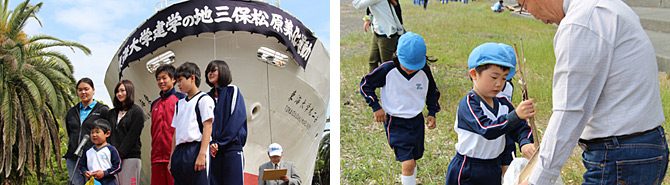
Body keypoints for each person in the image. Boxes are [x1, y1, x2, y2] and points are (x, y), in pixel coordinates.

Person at [517, 0, 669, 184]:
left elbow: (569, 111)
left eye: (524, 6)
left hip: (620, 155)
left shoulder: (580, 23)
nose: (532, 14)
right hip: (641, 147)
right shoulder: (605, 6)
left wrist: (537, 179)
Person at [444, 43, 535, 185]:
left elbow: (520, 127)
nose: (499, 84)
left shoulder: (504, 104)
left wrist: (524, 142)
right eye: (494, 77)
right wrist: (516, 115)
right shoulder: (469, 103)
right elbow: (486, 129)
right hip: (468, 168)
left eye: (504, 78)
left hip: (493, 166)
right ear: (474, 74)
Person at [359, 32, 440, 185]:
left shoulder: (425, 71)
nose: (410, 70)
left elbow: (432, 92)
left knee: (414, 159)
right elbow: (365, 85)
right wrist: (376, 106)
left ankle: (411, 180)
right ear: (397, 56)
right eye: (407, 66)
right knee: (408, 163)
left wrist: (432, 112)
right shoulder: (387, 69)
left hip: (416, 121)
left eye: (414, 67)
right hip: (395, 122)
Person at [170, 62, 215, 185]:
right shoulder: (179, 104)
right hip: (180, 151)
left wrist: (202, 154)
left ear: (192, 78)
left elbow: (208, 126)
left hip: (196, 148)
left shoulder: (204, 100)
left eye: (180, 80)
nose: (178, 84)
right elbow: (175, 132)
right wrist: (172, 157)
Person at [205, 60, 248, 185]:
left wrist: (219, 142)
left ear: (223, 71)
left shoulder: (233, 91)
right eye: (208, 71)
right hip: (213, 150)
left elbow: (236, 119)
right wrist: (211, 142)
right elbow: (206, 122)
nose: (210, 73)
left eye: (213, 70)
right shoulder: (206, 97)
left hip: (231, 148)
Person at [65, 78, 110, 185]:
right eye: (80, 90)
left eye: (86, 89)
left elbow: (108, 133)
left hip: (94, 157)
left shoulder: (102, 110)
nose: (83, 92)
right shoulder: (72, 111)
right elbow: (70, 132)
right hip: (73, 157)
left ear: (93, 90)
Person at [151, 64, 184, 185]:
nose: (161, 81)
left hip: (174, 156)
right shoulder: (154, 104)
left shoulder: (182, 99)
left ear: (173, 79)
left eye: (164, 78)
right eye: (158, 79)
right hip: (156, 157)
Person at [108, 80, 145, 185]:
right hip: (113, 160)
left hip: (130, 157)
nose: (119, 94)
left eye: (122, 90)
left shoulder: (137, 112)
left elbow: (132, 136)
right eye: (117, 91)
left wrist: (119, 154)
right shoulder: (111, 113)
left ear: (129, 91)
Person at [354, 0, 405, 72]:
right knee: (373, 61)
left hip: (387, 35)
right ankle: (372, 81)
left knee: (386, 64)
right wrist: (368, 18)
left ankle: (388, 82)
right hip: (378, 32)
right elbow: (370, 7)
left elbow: (357, 4)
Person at [79, 119, 122, 185]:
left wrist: (105, 173)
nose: (94, 135)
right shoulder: (88, 151)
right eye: (92, 132)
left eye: (97, 132)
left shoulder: (111, 149)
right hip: (93, 182)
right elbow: (82, 165)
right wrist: (85, 172)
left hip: (109, 181)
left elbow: (117, 166)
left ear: (107, 134)